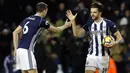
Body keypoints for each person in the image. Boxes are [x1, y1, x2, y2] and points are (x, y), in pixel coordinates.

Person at [13, 2, 72, 73]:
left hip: (19, 50)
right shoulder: (41, 20)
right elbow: (56, 30)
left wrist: (16, 49)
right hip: (27, 51)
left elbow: (15, 32)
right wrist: (65, 26)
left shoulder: (27, 19)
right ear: (45, 10)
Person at [66, 2, 122, 73]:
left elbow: (119, 36)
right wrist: (73, 21)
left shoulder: (108, 23)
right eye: (91, 12)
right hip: (92, 55)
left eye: (94, 12)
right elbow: (76, 34)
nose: (92, 14)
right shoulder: (89, 24)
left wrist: (114, 42)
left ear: (100, 13)